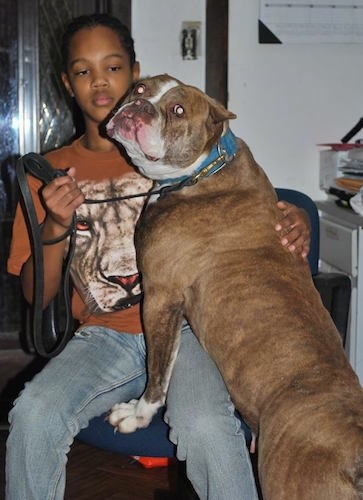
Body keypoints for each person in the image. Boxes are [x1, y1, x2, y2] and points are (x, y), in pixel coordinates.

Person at [6, 13, 311, 500]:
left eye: (114, 67)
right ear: (66, 83)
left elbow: (246, 203)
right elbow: (36, 296)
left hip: (190, 329)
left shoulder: (175, 151)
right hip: (105, 336)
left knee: (207, 426)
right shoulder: (51, 173)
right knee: (32, 414)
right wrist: (55, 226)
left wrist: (291, 218)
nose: (100, 81)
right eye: (83, 71)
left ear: (137, 75)